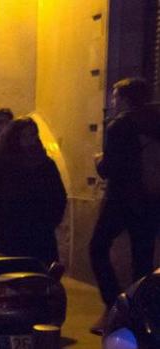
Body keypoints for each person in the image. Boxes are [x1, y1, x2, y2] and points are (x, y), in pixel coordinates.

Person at [89, 77, 160, 334]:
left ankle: (116, 305)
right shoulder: (156, 121)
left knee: (97, 248)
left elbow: (111, 168)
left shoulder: (120, 125)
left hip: (122, 200)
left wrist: (99, 162)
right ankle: (143, 314)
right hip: (152, 201)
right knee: (143, 259)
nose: (113, 101)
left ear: (126, 99)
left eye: (116, 96)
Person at [0, 117, 66, 265]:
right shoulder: (3, 165)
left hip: (40, 236)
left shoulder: (45, 164)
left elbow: (59, 196)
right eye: (25, 136)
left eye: (33, 135)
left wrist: (49, 221)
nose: (30, 140)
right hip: (10, 236)